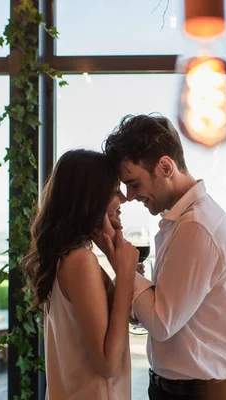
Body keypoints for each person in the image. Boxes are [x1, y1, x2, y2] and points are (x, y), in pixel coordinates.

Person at [104, 114, 226, 400]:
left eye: (134, 183)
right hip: (179, 389)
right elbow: (164, 312)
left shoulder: (196, 226)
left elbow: (161, 323)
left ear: (165, 167)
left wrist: (127, 271)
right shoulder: (181, 222)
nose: (129, 196)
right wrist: (134, 286)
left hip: (196, 393)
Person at [20, 149, 139, 400]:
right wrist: (125, 274)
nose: (123, 198)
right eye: (114, 189)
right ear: (91, 197)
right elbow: (107, 363)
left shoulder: (63, 259)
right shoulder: (81, 261)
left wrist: (115, 259)